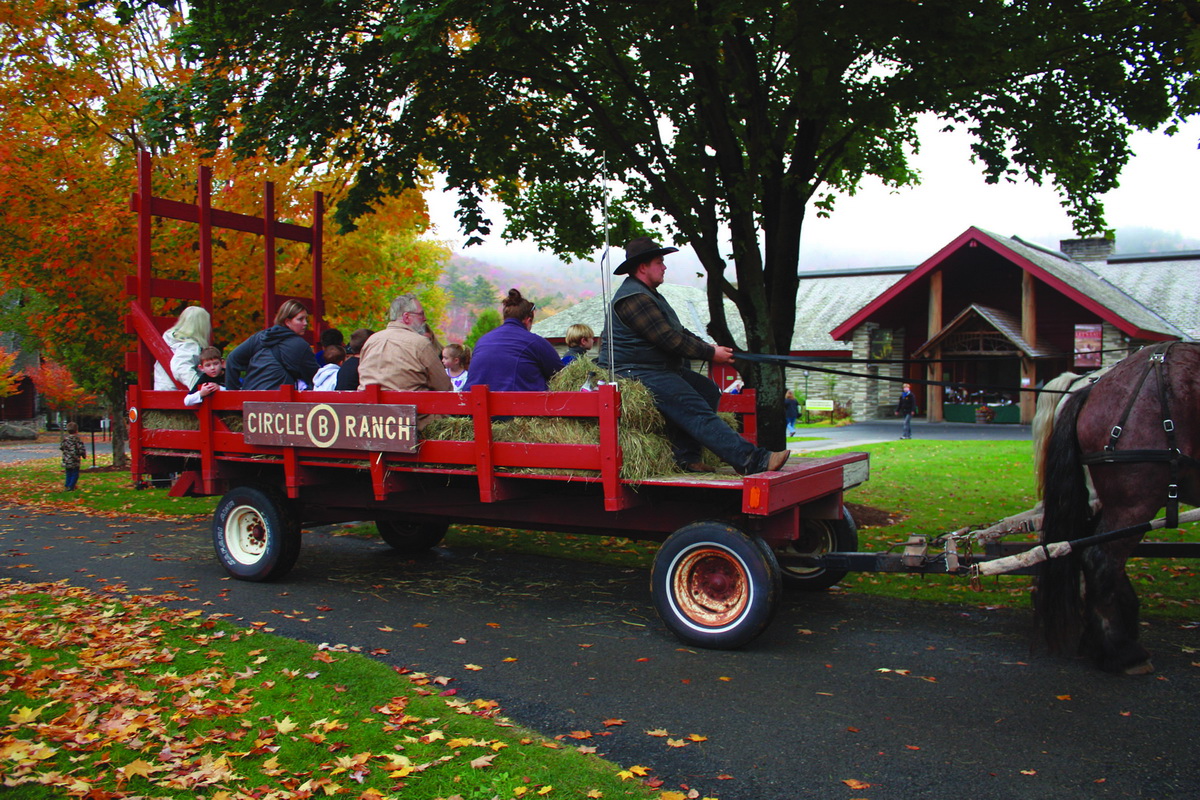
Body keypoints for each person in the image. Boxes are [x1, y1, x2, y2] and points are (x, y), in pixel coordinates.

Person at [597, 238, 789, 475]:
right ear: (643, 267)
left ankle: (686, 458)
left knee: (707, 390)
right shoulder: (634, 298)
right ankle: (752, 460)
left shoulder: (650, 295)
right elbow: (668, 339)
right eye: (660, 262)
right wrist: (710, 353)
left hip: (654, 367)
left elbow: (678, 331)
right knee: (694, 407)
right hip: (633, 370)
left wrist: (711, 348)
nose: (664, 267)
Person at [357, 294, 451, 428]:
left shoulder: (371, 341)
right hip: (413, 422)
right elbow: (443, 386)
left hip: (371, 420)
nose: (425, 318)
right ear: (407, 317)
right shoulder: (420, 344)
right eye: (421, 314)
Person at [465, 289, 562, 391]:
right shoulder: (535, 342)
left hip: (474, 404)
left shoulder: (482, 341)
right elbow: (560, 375)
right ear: (528, 320)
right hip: (517, 405)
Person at [225, 299, 319, 391]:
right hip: (277, 401)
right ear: (287, 321)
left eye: (306, 319)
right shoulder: (300, 346)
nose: (305, 323)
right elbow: (317, 377)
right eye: (300, 319)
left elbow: (232, 359)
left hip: (249, 398)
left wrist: (233, 393)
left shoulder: (259, 338)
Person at [153, 306, 211, 390]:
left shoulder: (170, 340)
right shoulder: (189, 345)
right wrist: (200, 387)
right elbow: (181, 368)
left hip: (163, 391)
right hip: (176, 395)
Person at [60, 422, 87, 491]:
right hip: (75, 460)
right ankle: (71, 486)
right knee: (75, 473)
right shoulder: (77, 440)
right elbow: (81, 449)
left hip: (67, 459)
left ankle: (67, 484)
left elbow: (61, 447)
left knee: (68, 473)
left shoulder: (65, 440)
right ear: (77, 431)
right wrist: (83, 455)